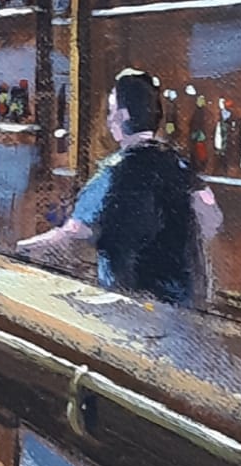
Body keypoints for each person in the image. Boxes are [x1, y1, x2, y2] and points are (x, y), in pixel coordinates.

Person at [18, 68, 221, 306]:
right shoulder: (178, 165)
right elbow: (212, 218)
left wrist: (25, 248)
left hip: (130, 301)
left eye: (111, 111)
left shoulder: (114, 172)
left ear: (122, 116)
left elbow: (73, 234)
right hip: (180, 302)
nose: (108, 119)